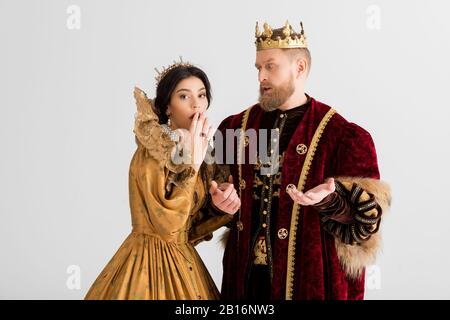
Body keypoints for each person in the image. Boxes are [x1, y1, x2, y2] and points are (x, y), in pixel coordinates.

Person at [217, 21, 391, 300]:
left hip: (311, 284)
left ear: (300, 68)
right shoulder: (235, 129)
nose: (261, 76)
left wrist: (330, 201)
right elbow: (206, 210)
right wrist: (219, 203)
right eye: (258, 68)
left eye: (270, 66)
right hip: (246, 284)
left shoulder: (344, 137)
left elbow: (365, 227)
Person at [85, 61, 240, 300]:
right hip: (145, 264)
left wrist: (219, 206)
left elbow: (188, 229)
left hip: (183, 261)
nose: (196, 103)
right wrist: (192, 164)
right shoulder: (154, 151)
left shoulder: (203, 154)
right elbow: (168, 227)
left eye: (201, 95)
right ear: (167, 107)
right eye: (184, 96)